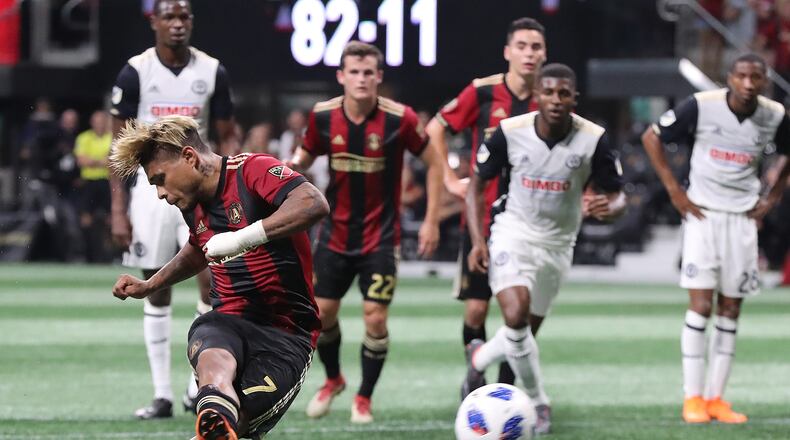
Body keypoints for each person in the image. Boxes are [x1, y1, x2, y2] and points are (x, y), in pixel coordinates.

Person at [110, 115, 328, 440]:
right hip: (226, 320)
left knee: (237, 426)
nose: (159, 193)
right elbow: (199, 247)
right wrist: (150, 285)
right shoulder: (190, 200)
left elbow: (313, 203)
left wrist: (242, 238)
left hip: (285, 332)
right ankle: (214, 411)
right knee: (215, 372)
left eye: (160, 179)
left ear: (189, 157)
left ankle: (218, 421)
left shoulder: (252, 170)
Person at [286, 41, 444, 424]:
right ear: (341, 76)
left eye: (368, 72)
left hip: (381, 239)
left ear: (378, 77)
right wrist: (289, 169)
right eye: (354, 72)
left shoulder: (400, 119)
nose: (361, 79)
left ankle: (364, 398)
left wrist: (431, 220)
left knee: (375, 318)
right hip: (334, 235)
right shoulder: (323, 117)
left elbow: (435, 163)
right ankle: (334, 379)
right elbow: (303, 157)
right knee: (322, 314)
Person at [463, 64, 626, 435]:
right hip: (512, 232)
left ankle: (479, 357)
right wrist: (477, 240)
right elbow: (476, 186)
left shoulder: (593, 139)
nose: (556, 99)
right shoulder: (510, 132)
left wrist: (611, 208)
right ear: (536, 95)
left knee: (523, 333)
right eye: (549, 92)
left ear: (574, 98)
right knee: (515, 314)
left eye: (563, 93)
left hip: (558, 244)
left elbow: (618, 196)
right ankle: (539, 402)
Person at [641, 53, 790, 424]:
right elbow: (651, 137)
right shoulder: (701, 106)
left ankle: (716, 399)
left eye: (756, 77)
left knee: (731, 309)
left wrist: (774, 195)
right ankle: (692, 398)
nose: (749, 84)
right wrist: (675, 191)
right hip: (703, 215)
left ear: (765, 81)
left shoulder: (774, 115)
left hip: (742, 220)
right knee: (701, 306)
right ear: (730, 78)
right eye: (742, 76)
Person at [108, 0, 239, 419]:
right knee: (156, 285)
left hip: (201, 189)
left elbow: (226, 138)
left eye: (184, 16)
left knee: (213, 282)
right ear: (155, 22)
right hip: (152, 191)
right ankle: (162, 394)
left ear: (192, 22)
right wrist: (118, 208)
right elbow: (117, 147)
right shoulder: (135, 72)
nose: (177, 24)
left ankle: (195, 385)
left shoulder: (212, 70)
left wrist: (231, 190)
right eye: (169, 16)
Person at [424, 17, 547, 388]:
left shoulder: (551, 98)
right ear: (508, 52)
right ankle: (475, 379)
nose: (529, 53)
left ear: (544, 54)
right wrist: (449, 178)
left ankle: (507, 386)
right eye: (522, 46)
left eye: (536, 47)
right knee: (476, 310)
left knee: (520, 313)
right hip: (482, 220)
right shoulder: (483, 92)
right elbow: (435, 129)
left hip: (531, 223)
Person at [74, 110, 113, 262]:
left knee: (111, 219)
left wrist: (93, 161)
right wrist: (102, 161)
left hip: (108, 182)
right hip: (89, 183)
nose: (100, 124)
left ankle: (110, 255)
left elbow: (113, 161)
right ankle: (87, 254)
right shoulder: (83, 138)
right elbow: (82, 161)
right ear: (92, 123)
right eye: (97, 122)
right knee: (86, 219)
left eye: (102, 121)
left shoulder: (113, 137)